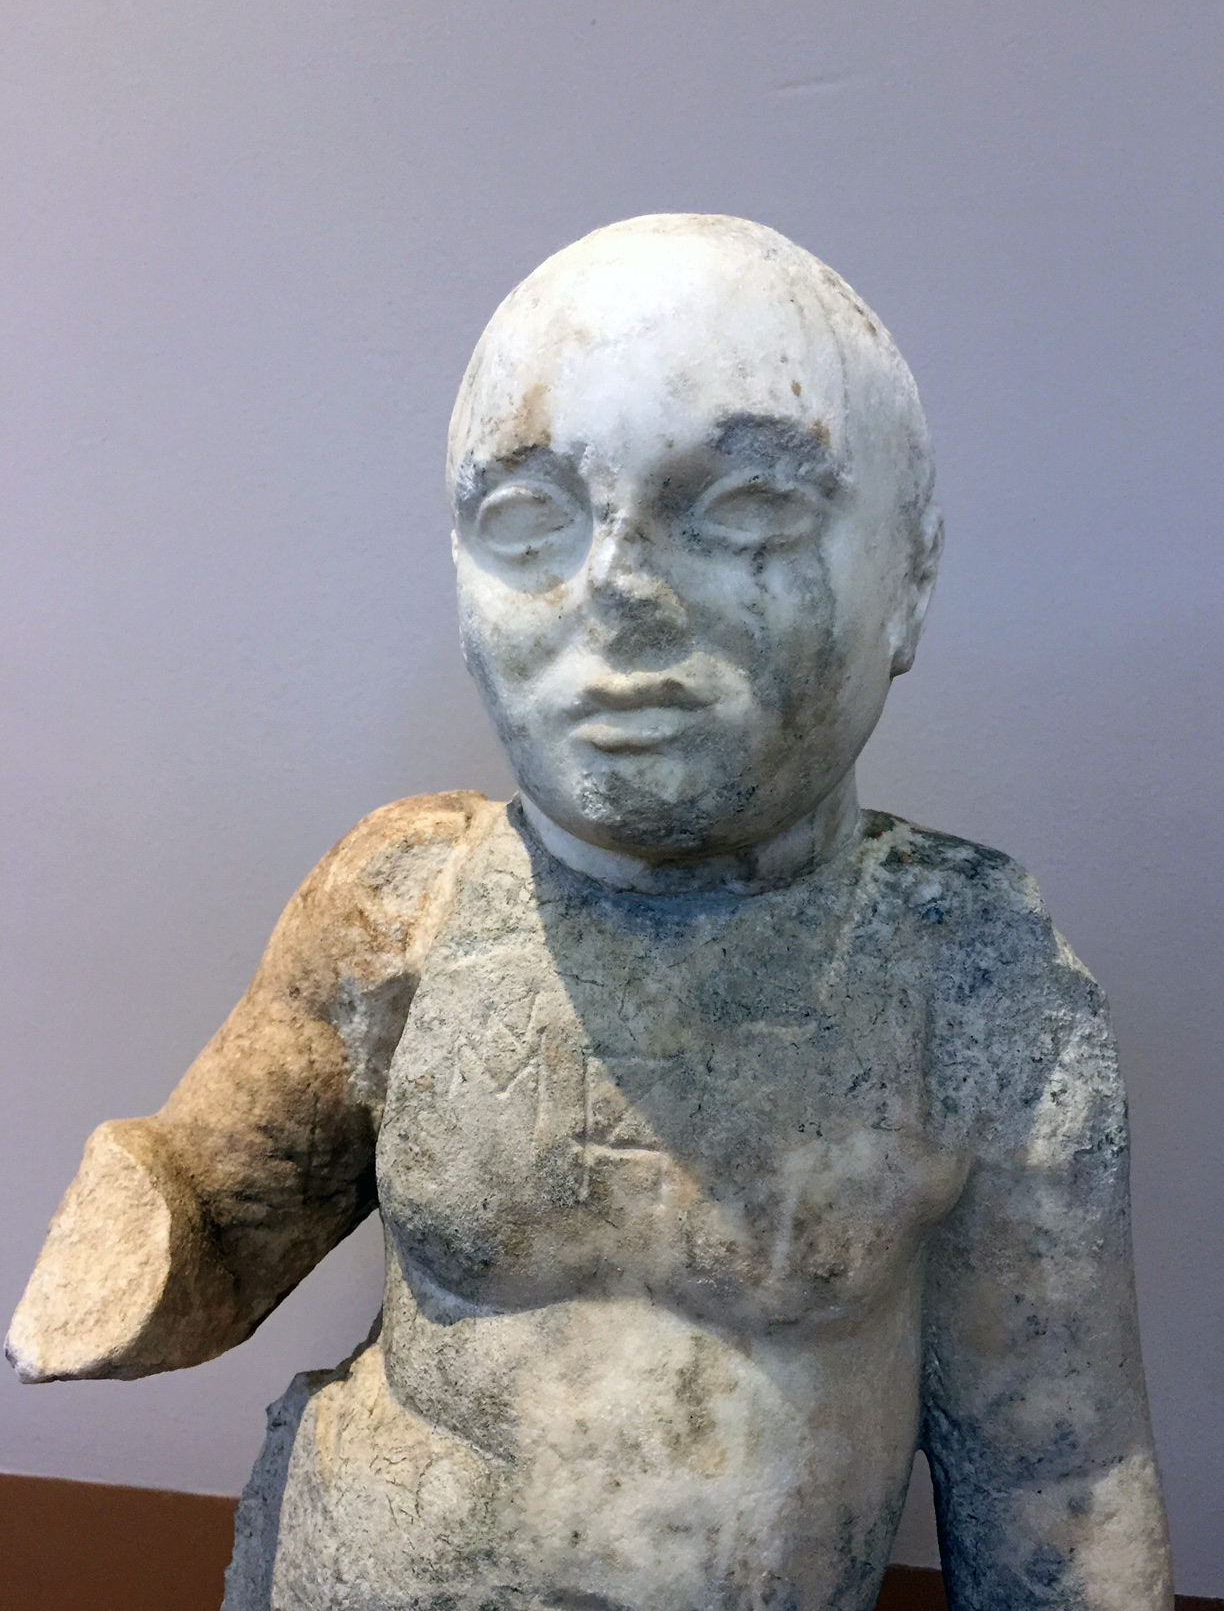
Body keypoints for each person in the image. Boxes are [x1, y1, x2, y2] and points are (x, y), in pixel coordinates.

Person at [8, 215, 1173, 1610]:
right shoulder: (406, 899)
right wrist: (145, 1231)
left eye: (742, 510)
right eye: (525, 521)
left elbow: (1056, 1471)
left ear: (910, 576)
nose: (616, 589)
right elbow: (233, 1194)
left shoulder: (969, 975)